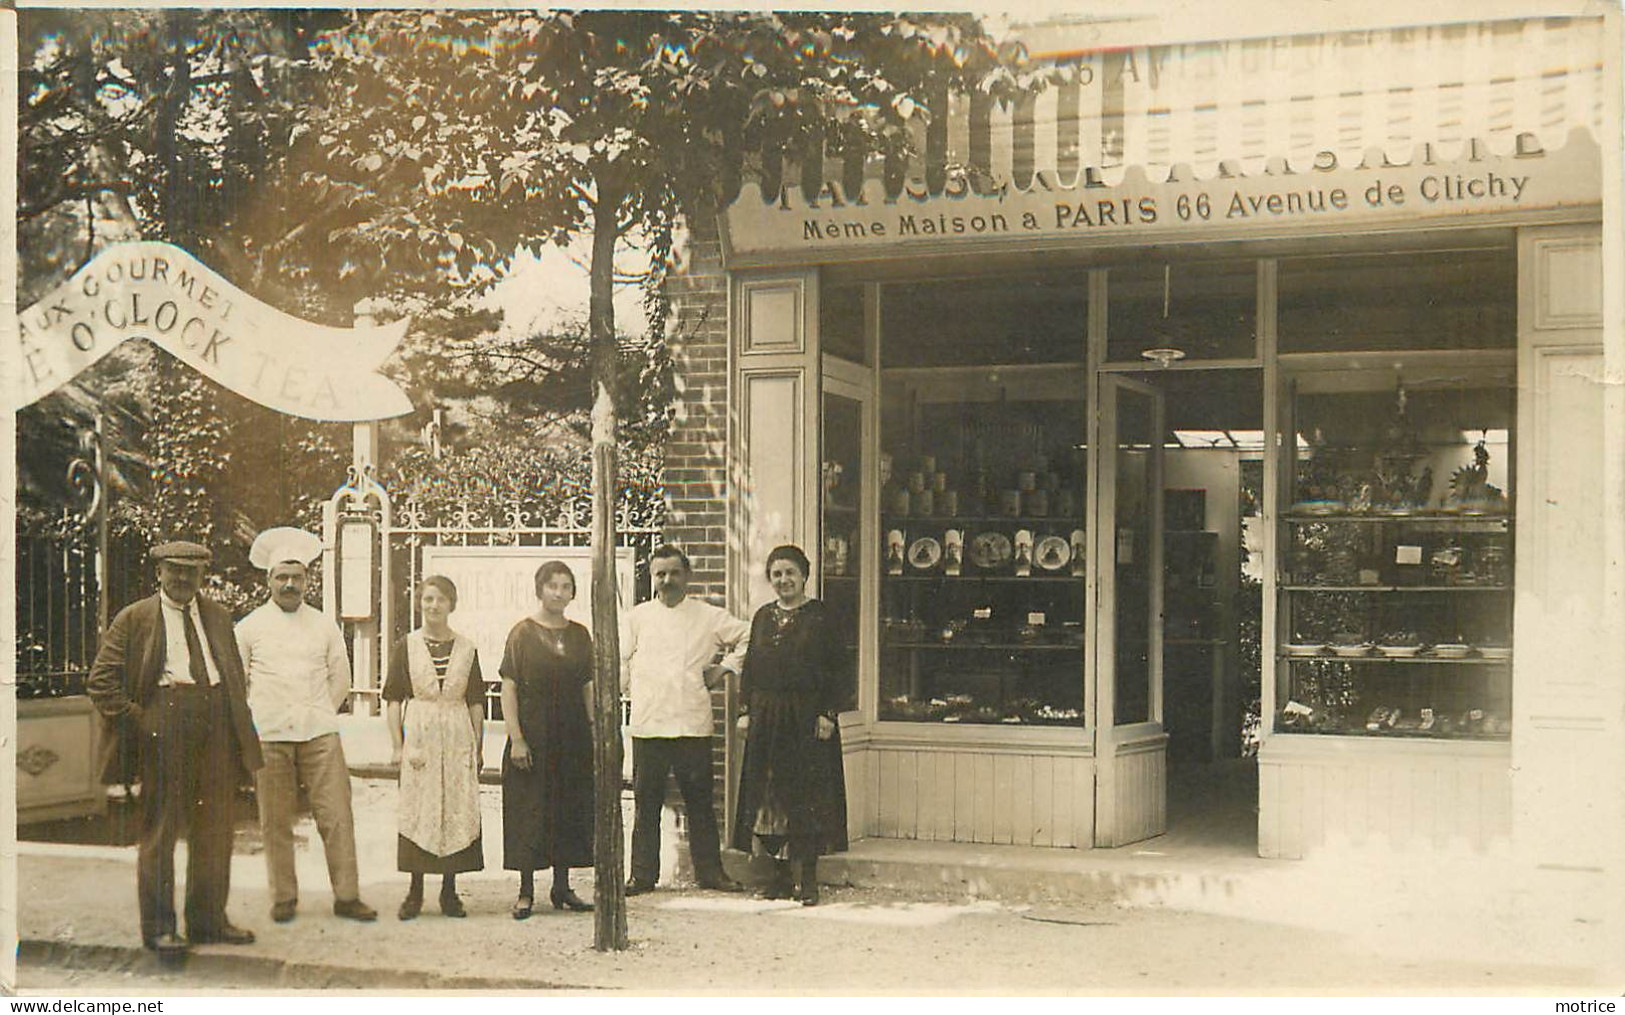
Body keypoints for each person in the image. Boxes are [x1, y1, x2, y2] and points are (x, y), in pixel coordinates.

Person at [86, 540, 263, 954]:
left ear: (203, 575)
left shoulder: (218, 617)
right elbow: (101, 682)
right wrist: (140, 719)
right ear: (160, 572)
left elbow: (234, 679)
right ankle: (160, 928)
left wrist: (240, 736)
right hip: (164, 723)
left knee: (217, 829)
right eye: (174, 570)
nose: (183, 579)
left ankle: (208, 922)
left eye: (191, 572)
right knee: (162, 830)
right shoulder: (135, 618)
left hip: (216, 723)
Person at [236, 527, 377, 925]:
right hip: (270, 735)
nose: (289, 585)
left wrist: (319, 713)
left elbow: (341, 679)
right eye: (282, 577)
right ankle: (283, 897)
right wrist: (259, 719)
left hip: (319, 733)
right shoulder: (248, 628)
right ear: (268, 580)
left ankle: (347, 896)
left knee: (336, 814)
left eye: (296, 577)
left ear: (307, 580)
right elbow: (239, 684)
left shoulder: (323, 625)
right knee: (275, 819)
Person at [621, 544, 750, 895]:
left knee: (700, 805)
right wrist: (629, 687)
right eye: (660, 574)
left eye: (674, 573)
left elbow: (749, 636)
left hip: (692, 723)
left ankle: (710, 873)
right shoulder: (637, 617)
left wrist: (724, 668)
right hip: (649, 723)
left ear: (687, 576)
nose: (667, 580)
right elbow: (617, 659)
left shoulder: (707, 616)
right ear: (652, 578)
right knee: (646, 804)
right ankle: (642, 876)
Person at [732, 545, 849, 906]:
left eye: (790, 573)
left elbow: (837, 669)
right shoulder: (763, 617)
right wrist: (745, 710)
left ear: (804, 576)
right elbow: (751, 668)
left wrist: (828, 714)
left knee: (806, 794)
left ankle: (808, 880)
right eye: (777, 574)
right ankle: (779, 878)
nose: (784, 580)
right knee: (770, 794)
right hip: (767, 717)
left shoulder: (820, 616)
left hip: (806, 717)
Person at [383, 575, 485, 919]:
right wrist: (398, 746)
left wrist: (478, 747)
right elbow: (394, 699)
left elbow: (475, 702)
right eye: (427, 599)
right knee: (419, 809)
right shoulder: (406, 646)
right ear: (419, 604)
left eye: (441, 599)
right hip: (421, 734)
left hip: (457, 735)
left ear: (451, 605)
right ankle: (415, 892)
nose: (434, 606)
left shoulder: (467, 648)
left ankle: (450, 892)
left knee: (454, 807)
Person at [500, 561, 595, 918]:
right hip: (533, 732)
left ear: (573, 592)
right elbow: (508, 687)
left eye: (566, 586)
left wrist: (594, 728)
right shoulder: (522, 633)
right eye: (552, 585)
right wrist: (517, 739)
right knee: (530, 808)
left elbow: (588, 685)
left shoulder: (580, 634)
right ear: (539, 589)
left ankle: (562, 886)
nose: (558, 592)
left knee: (567, 807)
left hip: (571, 734)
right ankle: (526, 890)